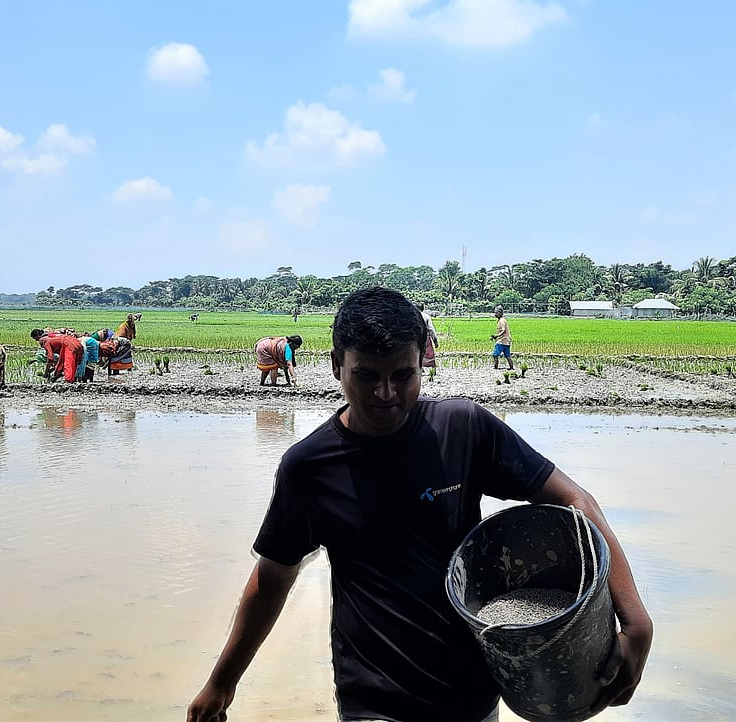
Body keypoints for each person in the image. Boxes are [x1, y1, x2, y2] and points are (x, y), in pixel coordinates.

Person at [187, 287, 652, 722]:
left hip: (473, 692)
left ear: (421, 364)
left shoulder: (463, 430)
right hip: (374, 697)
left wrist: (635, 618)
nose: (385, 394)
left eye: (402, 375)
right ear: (336, 366)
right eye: (365, 376)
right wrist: (221, 683)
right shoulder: (308, 467)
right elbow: (273, 578)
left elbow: (573, 500)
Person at [490, 305, 514, 371]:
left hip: (501, 341)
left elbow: (503, 330)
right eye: (495, 312)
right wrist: (495, 337)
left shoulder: (501, 320)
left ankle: (495, 367)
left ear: (501, 313)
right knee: (507, 356)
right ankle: (511, 367)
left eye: (497, 312)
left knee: (495, 355)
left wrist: (497, 336)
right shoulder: (502, 320)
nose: (495, 314)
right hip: (506, 341)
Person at [417, 302, 438, 368]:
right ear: (423, 308)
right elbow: (431, 329)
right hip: (425, 337)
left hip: (415, 338)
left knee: (417, 353)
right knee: (429, 354)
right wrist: (435, 341)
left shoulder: (412, 316)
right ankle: (432, 369)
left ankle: (419, 367)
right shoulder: (426, 316)